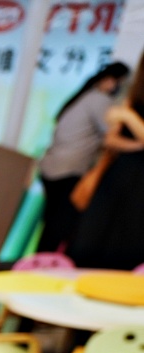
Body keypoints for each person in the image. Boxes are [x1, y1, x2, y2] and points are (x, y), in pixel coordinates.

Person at [36, 61, 129, 252]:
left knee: (52, 224)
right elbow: (112, 136)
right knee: (62, 226)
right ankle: (45, 268)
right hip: (69, 169)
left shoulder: (82, 97)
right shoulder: (100, 100)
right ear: (112, 81)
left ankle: (38, 266)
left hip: (51, 166)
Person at [69, 52, 144, 270]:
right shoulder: (133, 98)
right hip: (119, 174)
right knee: (93, 239)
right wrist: (138, 145)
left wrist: (129, 118)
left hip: (140, 184)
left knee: (131, 241)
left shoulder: (129, 110)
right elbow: (110, 139)